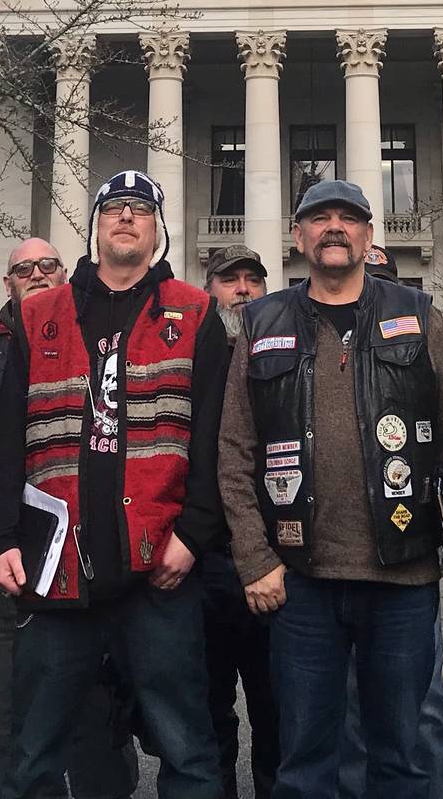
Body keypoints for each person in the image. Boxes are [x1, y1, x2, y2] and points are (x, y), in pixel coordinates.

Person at [220, 178, 443, 799]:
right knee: (306, 759)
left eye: (349, 218)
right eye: (320, 219)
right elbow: (235, 450)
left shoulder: (417, 315)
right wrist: (254, 559)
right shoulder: (262, 320)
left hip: (401, 576)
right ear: (299, 238)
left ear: (369, 236)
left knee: (402, 755)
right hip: (301, 581)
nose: (334, 228)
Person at [0, 170, 231, 799]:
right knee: (34, 752)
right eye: (114, 209)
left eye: (140, 210)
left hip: (159, 567)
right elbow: (3, 435)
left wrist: (195, 534)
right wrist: (1, 537)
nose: (127, 218)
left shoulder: (196, 312)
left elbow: (214, 438)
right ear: (96, 226)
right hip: (56, 568)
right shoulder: (38, 314)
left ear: (157, 229)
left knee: (188, 748)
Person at [0, 237, 138, 799]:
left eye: (47, 265)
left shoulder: (104, 340)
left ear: (65, 273)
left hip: (82, 551)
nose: (35, 274)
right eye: (22, 269)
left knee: (90, 692)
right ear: (7, 283)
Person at [201, 247, 281, 799]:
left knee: (278, 709)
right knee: (209, 711)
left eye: (254, 279)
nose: (244, 289)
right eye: (232, 280)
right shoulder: (191, 357)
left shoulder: (280, 354)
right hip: (205, 560)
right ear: (210, 289)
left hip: (274, 558)